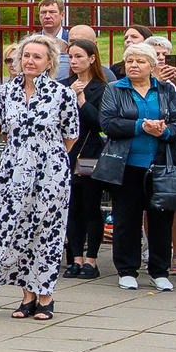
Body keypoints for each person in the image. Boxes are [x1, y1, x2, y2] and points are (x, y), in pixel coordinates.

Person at [0, 34, 78, 320]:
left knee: (47, 229)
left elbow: (71, 135)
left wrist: (49, 157)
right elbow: (0, 126)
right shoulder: (7, 92)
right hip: (14, 168)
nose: (30, 61)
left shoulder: (62, 94)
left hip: (50, 169)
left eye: (37, 57)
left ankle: (45, 295)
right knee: (17, 229)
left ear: (49, 62)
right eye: (26, 56)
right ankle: (26, 295)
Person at [98, 42, 176, 294]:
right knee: (126, 219)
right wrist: (141, 126)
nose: (134, 66)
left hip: (160, 164)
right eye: (129, 61)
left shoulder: (166, 90)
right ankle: (126, 270)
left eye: (139, 61)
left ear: (152, 65)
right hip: (127, 164)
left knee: (161, 219)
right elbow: (108, 123)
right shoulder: (114, 89)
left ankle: (159, 271)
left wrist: (164, 131)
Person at [62, 34, 111, 282]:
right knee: (72, 208)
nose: (73, 61)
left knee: (91, 207)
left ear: (92, 59)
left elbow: (101, 122)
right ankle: (75, 257)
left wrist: (81, 100)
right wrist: (68, 95)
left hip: (91, 152)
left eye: (79, 56)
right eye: (70, 57)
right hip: (67, 153)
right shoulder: (63, 85)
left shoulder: (103, 89)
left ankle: (91, 259)